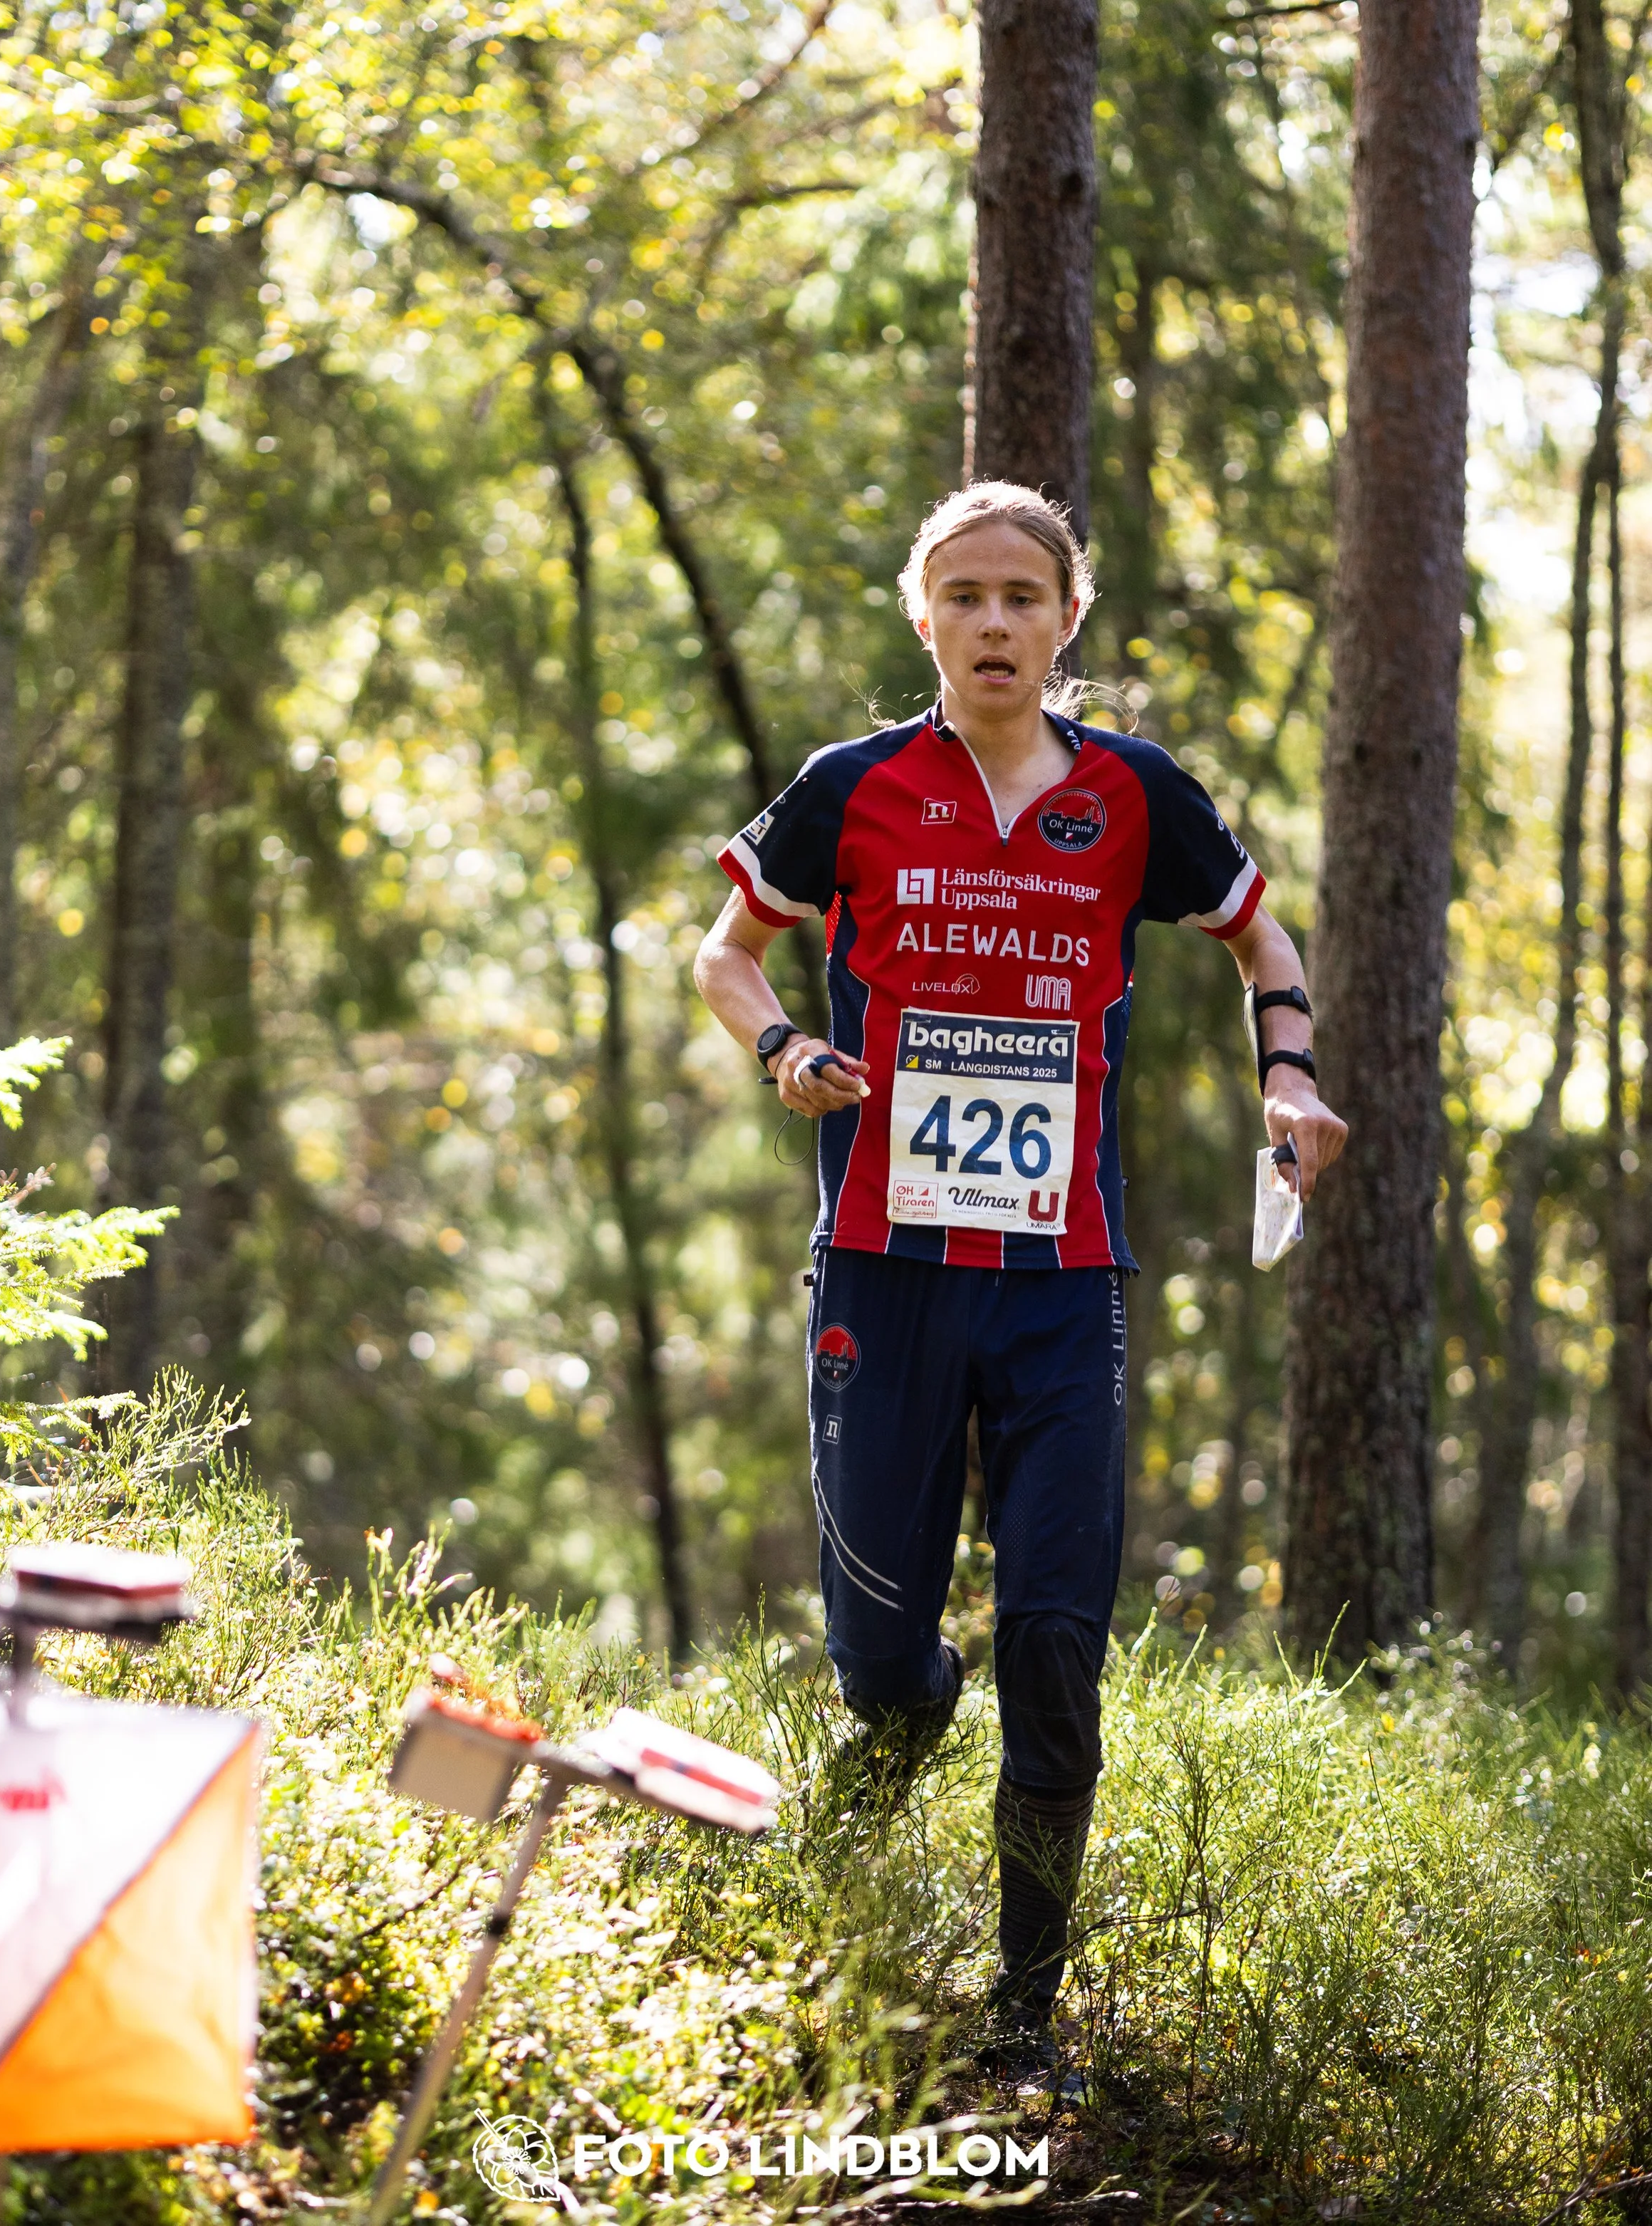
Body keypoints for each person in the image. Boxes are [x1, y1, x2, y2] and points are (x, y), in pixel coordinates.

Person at [692, 482, 1347, 2069]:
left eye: (1021, 596)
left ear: (1066, 620)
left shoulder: (1131, 795)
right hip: (880, 1268)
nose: (993, 622)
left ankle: (1019, 2009)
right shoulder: (849, 789)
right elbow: (724, 949)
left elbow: (1262, 941)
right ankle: (900, 1717)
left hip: (1063, 1280)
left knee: (1056, 1635)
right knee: (878, 1653)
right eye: (964, 595)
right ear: (921, 615)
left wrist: (1291, 1080)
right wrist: (780, 1047)